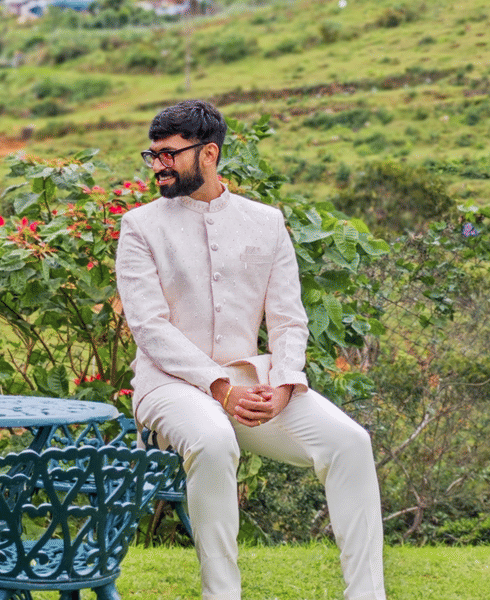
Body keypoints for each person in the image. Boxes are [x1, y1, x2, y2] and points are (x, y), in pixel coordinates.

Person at [115, 101, 386, 600]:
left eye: (169, 155)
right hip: (168, 388)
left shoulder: (266, 222)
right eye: (152, 156)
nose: (158, 166)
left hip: (254, 384)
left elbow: (289, 318)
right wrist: (219, 387)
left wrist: (285, 385)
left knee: (351, 443)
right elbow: (149, 328)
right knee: (215, 441)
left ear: (209, 152)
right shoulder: (139, 227)